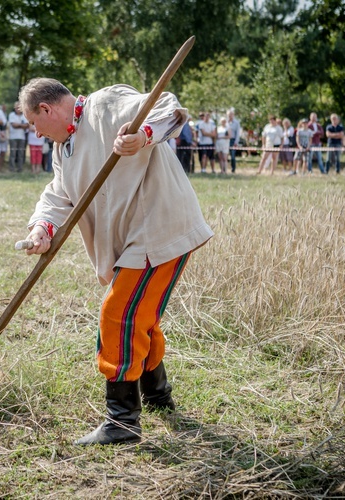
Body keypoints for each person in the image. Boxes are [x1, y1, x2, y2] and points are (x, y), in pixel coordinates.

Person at [19, 78, 213, 446]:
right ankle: (158, 396)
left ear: (46, 109)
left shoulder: (105, 104)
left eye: (33, 122)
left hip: (159, 227)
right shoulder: (65, 149)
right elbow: (59, 195)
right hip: (134, 243)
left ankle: (121, 422)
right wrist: (42, 228)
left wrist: (143, 137)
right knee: (138, 318)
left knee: (119, 315)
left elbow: (168, 106)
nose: (36, 132)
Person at [8, 101, 29, 172]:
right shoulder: (11, 115)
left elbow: (27, 126)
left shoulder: (24, 115)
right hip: (13, 137)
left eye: (19, 107)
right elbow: (13, 125)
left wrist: (18, 125)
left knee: (21, 154)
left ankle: (20, 168)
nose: (18, 109)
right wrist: (22, 125)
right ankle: (12, 168)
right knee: (13, 154)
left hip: (22, 137)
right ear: (14, 108)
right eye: (17, 107)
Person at [227, 109, 241, 173]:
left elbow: (238, 133)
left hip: (233, 140)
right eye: (229, 115)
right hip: (226, 140)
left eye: (231, 114)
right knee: (225, 156)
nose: (230, 116)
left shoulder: (236, 123)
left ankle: (233, 169)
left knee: (232, 156)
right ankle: (225, 169)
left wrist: (236, 142)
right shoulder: (225, 122)